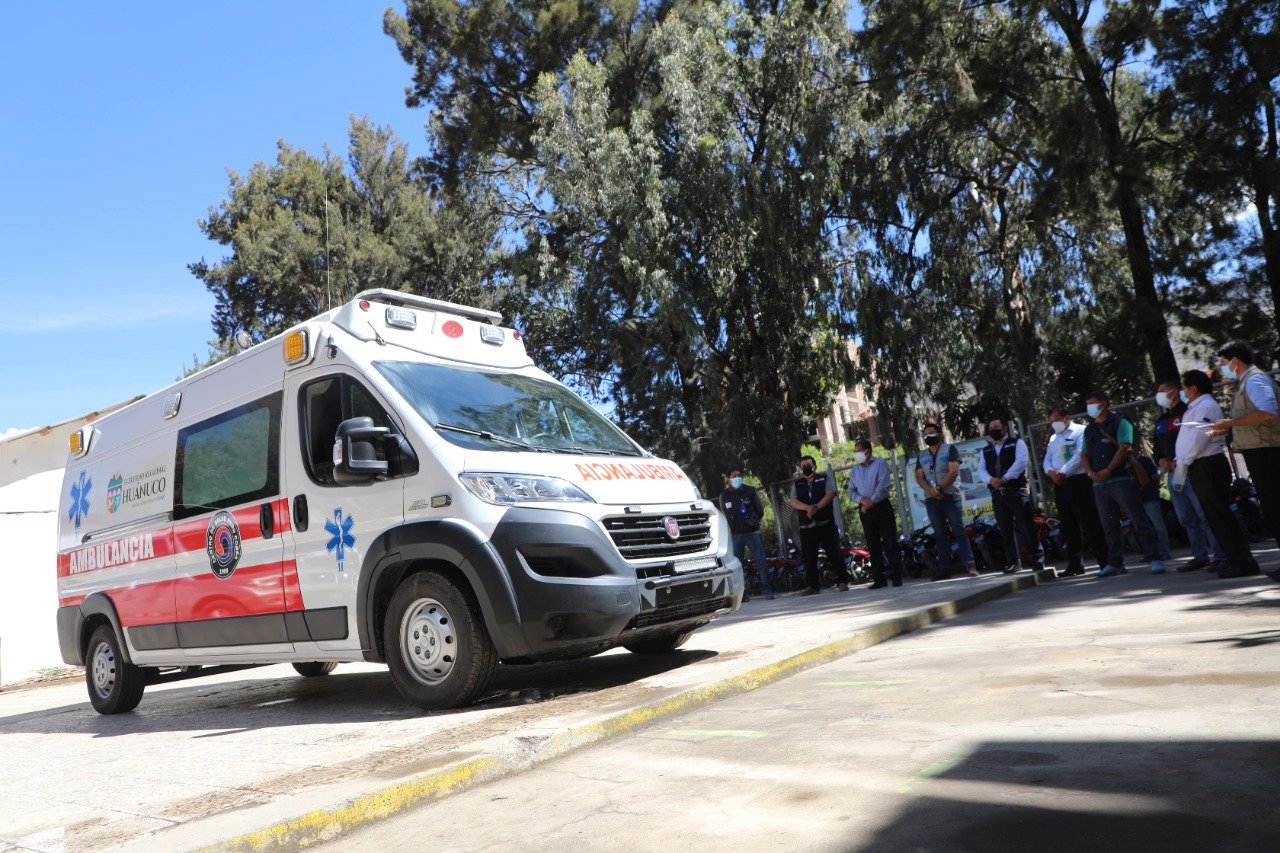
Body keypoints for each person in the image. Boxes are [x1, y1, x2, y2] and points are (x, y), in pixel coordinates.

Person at [1179, 369, 1262, 579]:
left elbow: (1200, 438)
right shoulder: (1194, 407)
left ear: (1193, 388)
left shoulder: (1205, 405)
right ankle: (1234, 560)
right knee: (1215, 516)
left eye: (1183, 387)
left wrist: (1184, 461)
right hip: (1199, 465)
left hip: (1207, 464)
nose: (1182, 391)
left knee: (1220, 515)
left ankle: (1242, 561)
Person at [1211, 341, 1280, 582]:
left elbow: (1268, 412)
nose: (1223, 369)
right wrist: (1228, 430)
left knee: (1276, 506)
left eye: (1223, 363)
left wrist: (1229, 424)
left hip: (1268, 452)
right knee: (1272, 508)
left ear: (1235, 361)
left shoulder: (1255, 380)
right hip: (1260, 450)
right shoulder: (1247, 381)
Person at [1079, 391, 1166, 576]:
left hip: (1121, 480)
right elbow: (1084, 454)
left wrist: (1109, 469)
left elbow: (1124, 447)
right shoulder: (1089, 429)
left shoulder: (1121, 422)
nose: (1089, 407)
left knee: (1138, 519)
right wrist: (1089, 472)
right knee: (1109, 525)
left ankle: (1154, 558)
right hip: (1099, 485)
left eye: (1092, 403)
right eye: (1087, 404)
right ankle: (1116, 563)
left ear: (1103, 404)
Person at [1151, 379, 1227, 573]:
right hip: (1173, 474)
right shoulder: (1161, 420)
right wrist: (1160, 461)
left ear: (1175, 391)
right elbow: (1156, 449)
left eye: (1162, 390)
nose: (1158, 394)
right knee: (1186, 517)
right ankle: (1200, 557)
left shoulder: (1189, 412)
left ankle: (1221, 555)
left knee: (1204, 514)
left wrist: (1182, 459)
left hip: (1191, 469)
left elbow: (1196, 438)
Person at [1043, 407, 1106, 576]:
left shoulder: (1081, 431)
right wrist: (1050, 472)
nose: (1054, 423)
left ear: (1066, 418)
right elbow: (1047, 459)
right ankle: (1075, 564)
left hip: (1079, 482)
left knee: (1089, 522)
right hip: (1060, 485)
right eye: (1051, 420)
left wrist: (1062, 471)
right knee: (1068, 526)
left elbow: (1080, 455)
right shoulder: (1054, 438)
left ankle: (1104, 561)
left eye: (1056, 419)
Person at [976, 418, 1044, 573]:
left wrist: (1004, 478)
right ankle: (1013, 562)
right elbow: (981, 470)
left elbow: (1021, 463)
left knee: (1026, 526)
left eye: (997, 426)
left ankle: (1037, 558)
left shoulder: (1017, 443)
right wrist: (991, 480)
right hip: (997, 494)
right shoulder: (986, 450)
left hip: (1015, 491)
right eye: (991, 427)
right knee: (1005, 529)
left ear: (1004, 428)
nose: (994, 429)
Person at [914, 422, 979, 579]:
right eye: (926, 433)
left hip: (950, 496)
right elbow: (919, 477)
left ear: (938, 434)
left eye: (931, 432)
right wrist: (931, 491)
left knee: (959, 531)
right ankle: (944, 569)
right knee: (940, 534)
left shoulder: (950, 449)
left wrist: (940, 489)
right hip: (932, 499)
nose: (928, 435)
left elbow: (954, 471)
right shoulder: (921, 455)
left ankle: (970, 565)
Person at [789, 455, 852, 595]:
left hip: (825, 523)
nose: (806, 467)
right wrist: (807, 508)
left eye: (809, 464)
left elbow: (830, 494)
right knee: (809, 557)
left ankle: (842, 581)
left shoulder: (824, 478)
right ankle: (812, 586)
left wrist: (816, 507)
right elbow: (793, 501)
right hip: (807, 526)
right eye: (803, 465)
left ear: (815, 465)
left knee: (834, 553)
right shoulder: (797, 484)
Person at [847, 439, 903, 589]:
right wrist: (862, 501)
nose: (856, 454)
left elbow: (884, 486)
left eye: (858, 450)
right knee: (872, 545)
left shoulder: (880, 463)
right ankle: (879, 578)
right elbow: (851, 491)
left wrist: (870, 501)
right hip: (865, 510)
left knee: (890, 542)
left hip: (881, 507)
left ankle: (897, 576)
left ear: (867, 450)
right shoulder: (855, 469)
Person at [720, 467, 772, 601]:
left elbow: (760, 511)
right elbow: (724, 514)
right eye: (734, 476)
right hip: (736, 536)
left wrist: (752, 523)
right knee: (738, 566)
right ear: (728, 479)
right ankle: (744, 594)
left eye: (739, 475)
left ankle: (768, 591)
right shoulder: (724, 495)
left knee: (761, 562)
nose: (737, 478)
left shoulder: (751, 490)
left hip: (752, 533)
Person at [1136, 454, 1173, 562]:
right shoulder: (1120, 462)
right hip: (1134, 500)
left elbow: (1156, 475)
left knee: (1158, 526)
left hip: (1149, 496)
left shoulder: (1142, 459)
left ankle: (1164, 552)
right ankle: (1150, 553)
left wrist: (1155, 490)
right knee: (1143, 528)